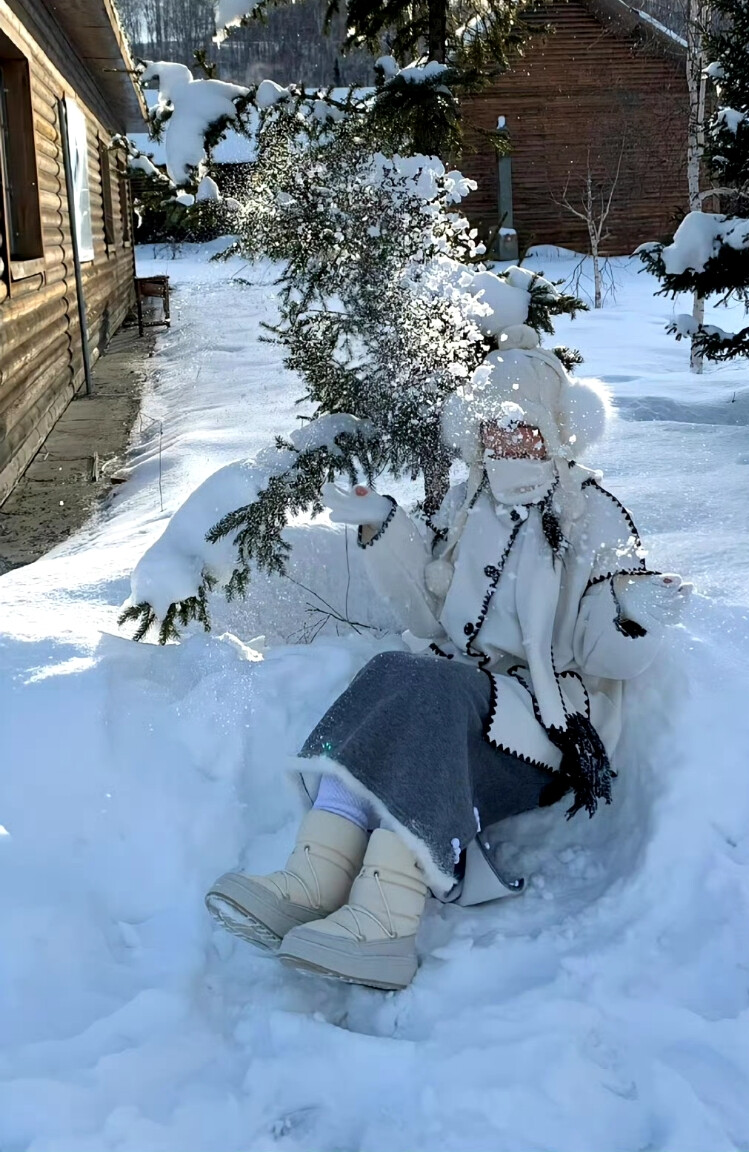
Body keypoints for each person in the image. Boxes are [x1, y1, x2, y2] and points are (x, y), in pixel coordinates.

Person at [206, 324, 689, 990]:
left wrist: (637, 614)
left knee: (436, 694)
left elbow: (596, 648)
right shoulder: (470, 504)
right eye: (492, 421)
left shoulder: (590, 511)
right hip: (464, 701)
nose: (503, 437)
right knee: (390, 672)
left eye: (520, 423)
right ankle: (315, 874)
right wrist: (382, 522)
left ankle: (385, 917)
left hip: (545, 725)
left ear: (554, 426)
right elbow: (428, 612)